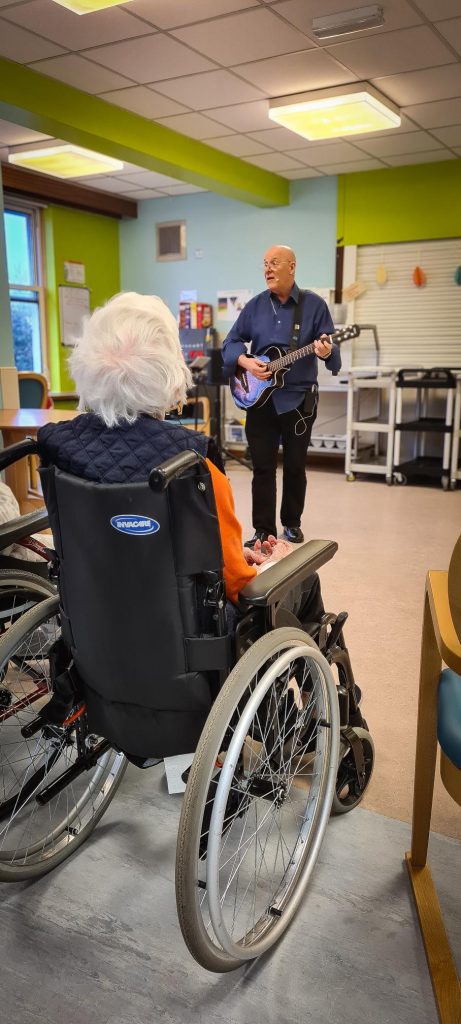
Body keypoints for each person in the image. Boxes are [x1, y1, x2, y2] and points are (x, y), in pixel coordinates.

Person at [37, 291, 325, 627]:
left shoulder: (58, 448)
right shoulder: (194, 464)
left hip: (94, 630)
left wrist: (226, 557)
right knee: (305, 580)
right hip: (185, 643)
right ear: (171, 372)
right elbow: (240, 585)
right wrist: (273, 563)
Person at [222, 244, 341, 547]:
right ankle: (263, 529)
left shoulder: (314, 305)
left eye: (274, 263)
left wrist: (328, 351)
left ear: (292, 266)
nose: (268, 269)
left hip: (299, 401)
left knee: (295, 466)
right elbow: (232, 341)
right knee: (262, 466)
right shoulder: (256, 305)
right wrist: (245, 361)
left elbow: (331, 350)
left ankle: (291, 522)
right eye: (264, 264)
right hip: (259, 399)